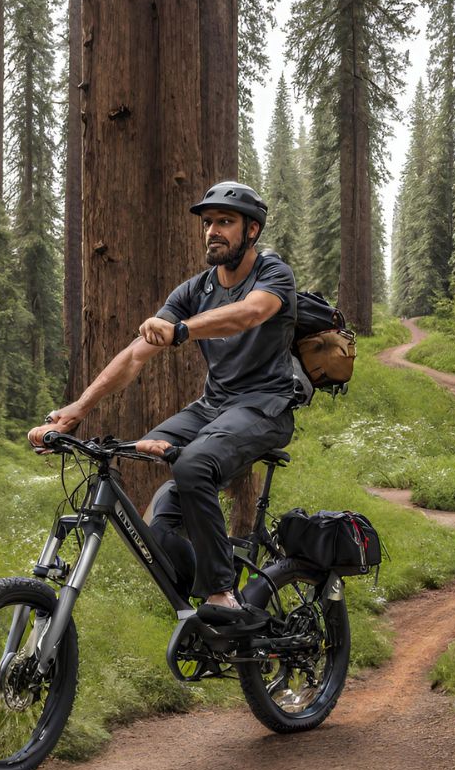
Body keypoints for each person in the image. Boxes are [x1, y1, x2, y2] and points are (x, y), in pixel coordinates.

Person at [28, 181, 295, 612]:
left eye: (224, 222)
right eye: (207, 223)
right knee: (140, 466)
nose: (212, 231)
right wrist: (78, 409)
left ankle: (221, 594)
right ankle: (200, 608)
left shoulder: (272, 272)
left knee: (193, 462)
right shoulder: (194, 290)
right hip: (214, 408)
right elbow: (136, 354)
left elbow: (251, 313)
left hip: (266, 407)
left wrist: (184, 329)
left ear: (251, 231)